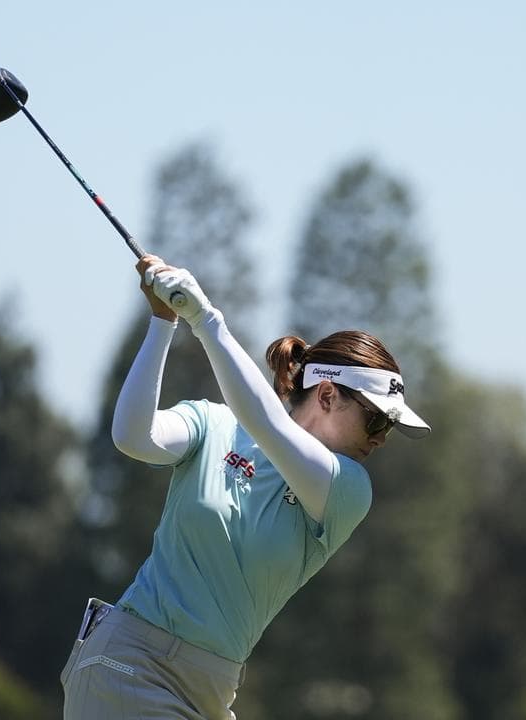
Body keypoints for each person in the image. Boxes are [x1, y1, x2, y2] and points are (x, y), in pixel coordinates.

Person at [60, 256, 431, 719]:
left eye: (389, 427)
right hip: (128, 665)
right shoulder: (214, 423)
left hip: (212, 692)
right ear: (327, 394)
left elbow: (268, 424)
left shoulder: (348, 489)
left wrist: (206, 319)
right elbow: (134, 437)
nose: (380, 438)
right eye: (376, 420)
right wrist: (163, 322)